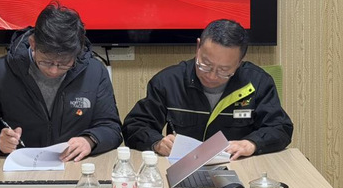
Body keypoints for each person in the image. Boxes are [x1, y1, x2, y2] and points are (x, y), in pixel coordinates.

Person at [0, 1, 122, 162]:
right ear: (33, 43)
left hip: (74, 167)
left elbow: (112, 128)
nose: (53, 70)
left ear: (77, 53)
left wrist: (90, 140)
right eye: (46, 61)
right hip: (17, 169)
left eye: (64, 64)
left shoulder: (94, 72)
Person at [122, 19, 292, 160]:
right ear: (198, 48)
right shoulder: (168, 82)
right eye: (205, 64)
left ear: (239, 62)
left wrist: (252, 143)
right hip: (183, 169)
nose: (211, 76)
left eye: (224, 70)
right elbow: (134, 126)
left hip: (239, 169)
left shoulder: (257, 83)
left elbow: (280, 128)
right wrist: (157, 142)